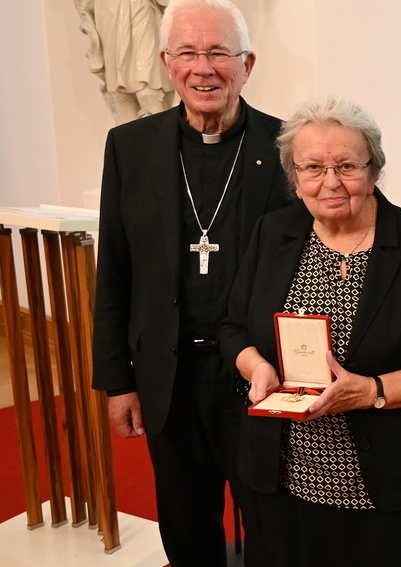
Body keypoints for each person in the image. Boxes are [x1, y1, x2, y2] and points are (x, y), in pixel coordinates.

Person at [219, 95, 401, 567]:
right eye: (313, 168)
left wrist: (372, 391)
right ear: (294, 178)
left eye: (347, 166)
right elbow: (233, 327)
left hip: (390, 484)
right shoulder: (271, 233)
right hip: (283, 480)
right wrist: (256, 367)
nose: (331, 182)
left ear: (374, 170)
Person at [91, 0, 291, 565]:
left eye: (219, 53)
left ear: (247, 64)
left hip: (258, 374)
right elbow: (116, 272)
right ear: (166, 62)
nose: (203, 68)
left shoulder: (286, 147)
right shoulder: (129, 147)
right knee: (184, 526)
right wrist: (118, 381)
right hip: (168, 375)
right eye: (188, 53)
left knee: (271, 523)